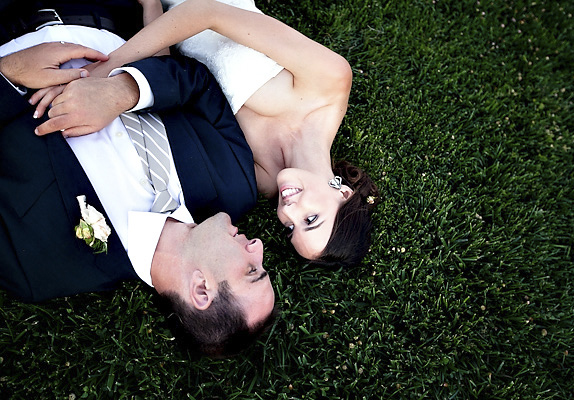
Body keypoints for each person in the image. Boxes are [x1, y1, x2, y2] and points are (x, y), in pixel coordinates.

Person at [0, 3, 275, 357]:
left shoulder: (37, 270)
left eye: (252, 270)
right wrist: (125, 91)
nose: (258, 247)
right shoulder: (235, 185)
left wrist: (8, 73)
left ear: (201, 290)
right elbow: (197, 83)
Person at [76, 0, 381, 268]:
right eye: (310, 220)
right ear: (343, 193)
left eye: (291, 229)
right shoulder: (329, 83)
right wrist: (105, 69)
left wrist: (151, 6)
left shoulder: (260, 179)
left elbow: (178, 89)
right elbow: (208, 11)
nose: (288, 213)